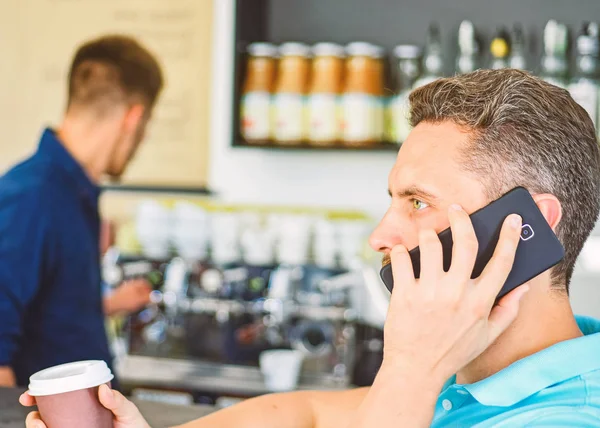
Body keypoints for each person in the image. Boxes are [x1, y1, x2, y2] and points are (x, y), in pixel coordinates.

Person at [23, 69, 600, 426]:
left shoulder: (568, 415)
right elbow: (306, 413)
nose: (381, 235)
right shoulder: (464, 381)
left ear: (524, 229)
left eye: (417, 202)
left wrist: (412, 366)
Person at [0, 35, 163, 388]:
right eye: (146, 124)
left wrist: (105, 303)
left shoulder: (74, 195)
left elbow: (46, 315)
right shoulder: (31, 197)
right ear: (133, 118)